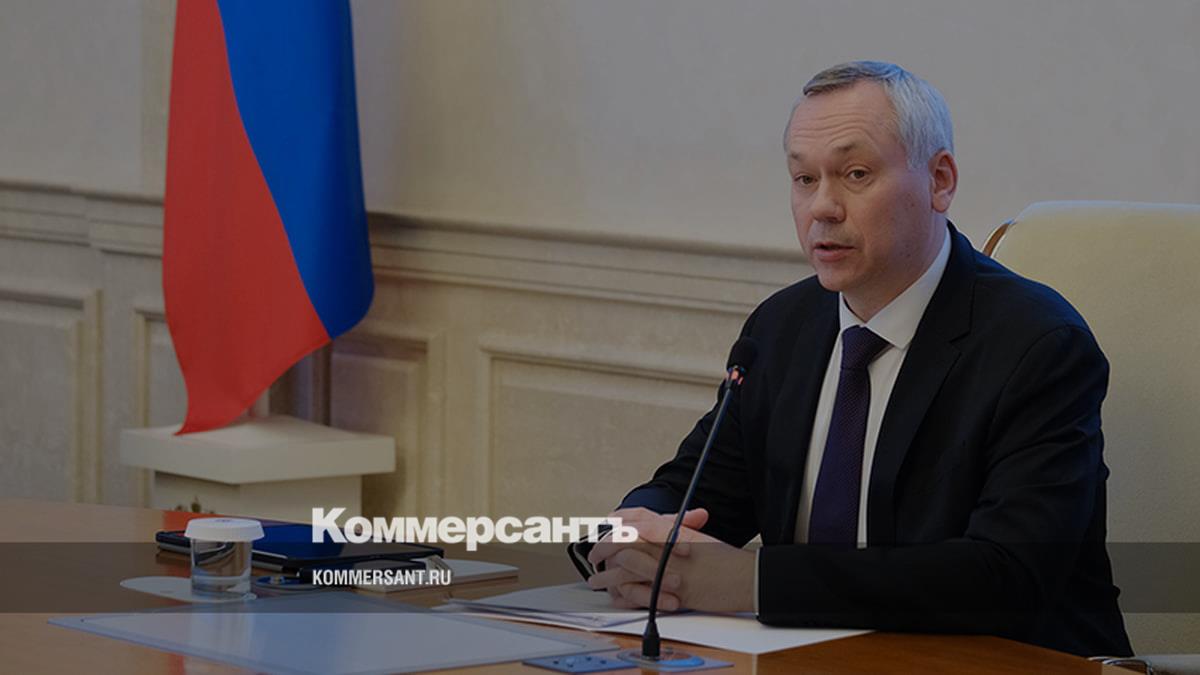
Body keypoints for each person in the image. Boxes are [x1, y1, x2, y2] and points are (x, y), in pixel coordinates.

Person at [577, 61, 1132, 657]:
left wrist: (751, 582)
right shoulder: (781, 329)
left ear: (940, 181)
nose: (822, 207)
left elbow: (1007, 577)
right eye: (803, 179)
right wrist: (630, 536)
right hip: (813, 660)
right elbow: (696, 492)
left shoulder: (1037, 345)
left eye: (855, 174)